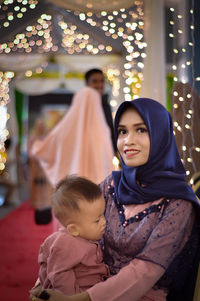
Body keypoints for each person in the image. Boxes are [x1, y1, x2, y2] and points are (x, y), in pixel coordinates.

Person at [30, 97, 200, 301]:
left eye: (141, 130)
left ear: (161, 134)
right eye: (122, 131)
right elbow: (73, 229)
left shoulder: (178, 202)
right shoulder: (112, 185)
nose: (128, 140)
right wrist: (44, 285)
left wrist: (81, 299)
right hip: (91, 283)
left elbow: (147, 270)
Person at [37, 175, 109, 295]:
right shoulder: (65, 244)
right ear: (74, 229)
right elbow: (59, 275)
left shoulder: (83, 236)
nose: (104, 221)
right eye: (97, 220)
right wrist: (73, 298)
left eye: (103, 214)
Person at [30, 87, 114, 187]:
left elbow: (47, 148)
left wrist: (37, 146)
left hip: (74, 188)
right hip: (98, 188)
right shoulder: (103, 130)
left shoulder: (65, 129)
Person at [85, 68, 117, 152]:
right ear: (87, 83)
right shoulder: (83, 104)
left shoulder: (105, 104)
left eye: (102, 81)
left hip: (104, 151)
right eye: (95, 81)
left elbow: (110, 128)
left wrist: (115, 152)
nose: (99, 85)